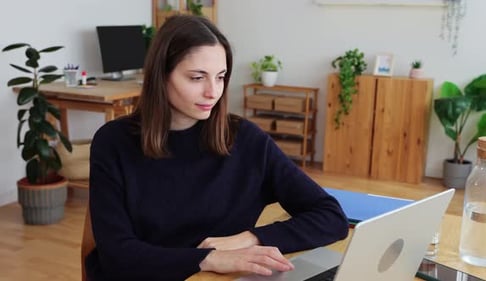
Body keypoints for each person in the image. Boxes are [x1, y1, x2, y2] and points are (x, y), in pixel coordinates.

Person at [86, 14, 349, 281]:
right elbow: (117, 254)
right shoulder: (113, 142)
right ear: (161, 76)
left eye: (220, 77)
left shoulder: (245, 139)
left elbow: (330, 217)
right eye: (197, 78)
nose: (213, 92)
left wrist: (251, 238)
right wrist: (208, 258)